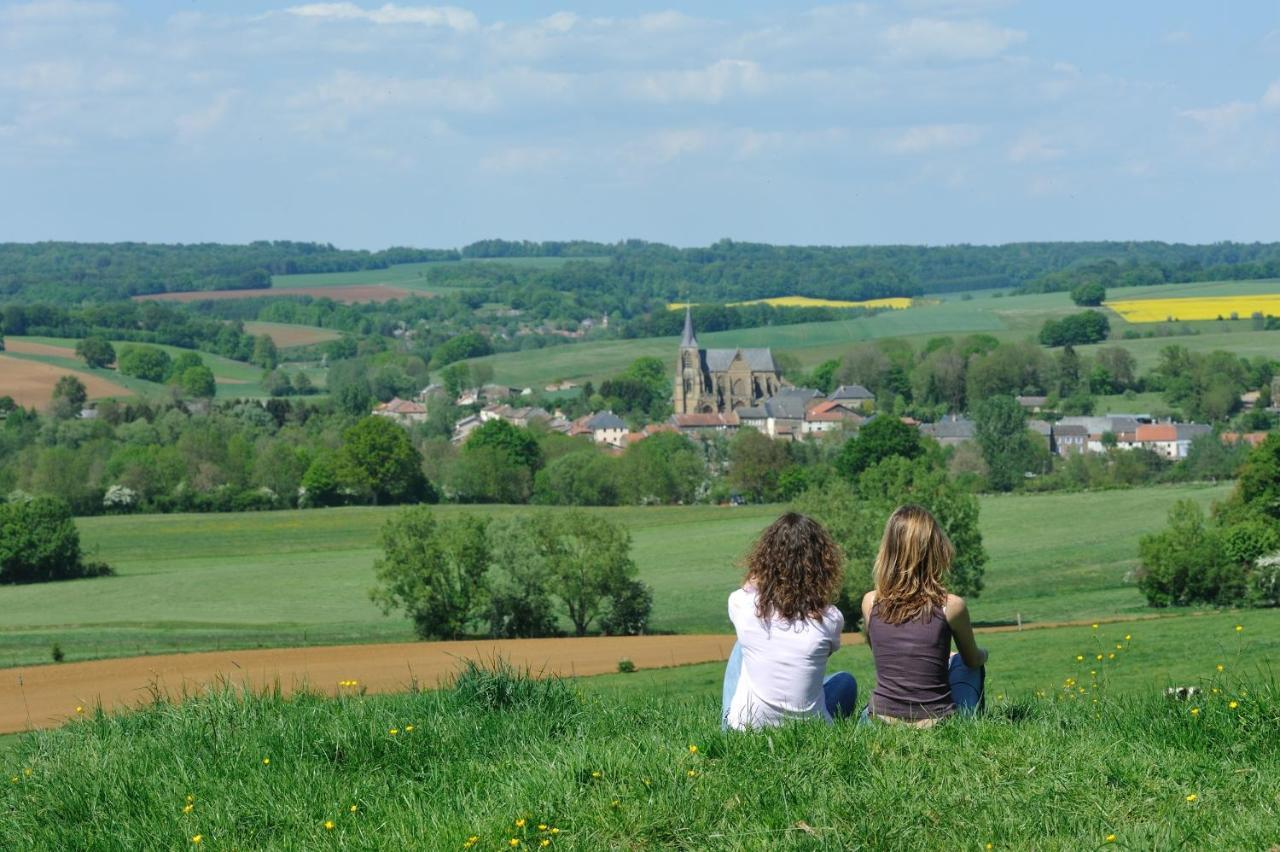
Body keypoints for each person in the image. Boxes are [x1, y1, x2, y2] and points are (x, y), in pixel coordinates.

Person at [721, 512, 858, 730]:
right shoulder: (830, 618)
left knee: (741, 645)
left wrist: (760, 577)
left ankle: (728, 724)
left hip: (748, 728)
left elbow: (747, 587)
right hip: (811, 728)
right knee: (845, 682)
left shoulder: (742, 605)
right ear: (822, 565)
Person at [861, 504, 988, 727]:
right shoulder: (951, 606)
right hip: (936, 723)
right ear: (935, 550)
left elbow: (891, 655)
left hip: (880, 721)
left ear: (888, 550)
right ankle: (973, 726)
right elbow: (972, 660)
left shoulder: (871, 602)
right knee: (965, 663)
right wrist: (983, 654)